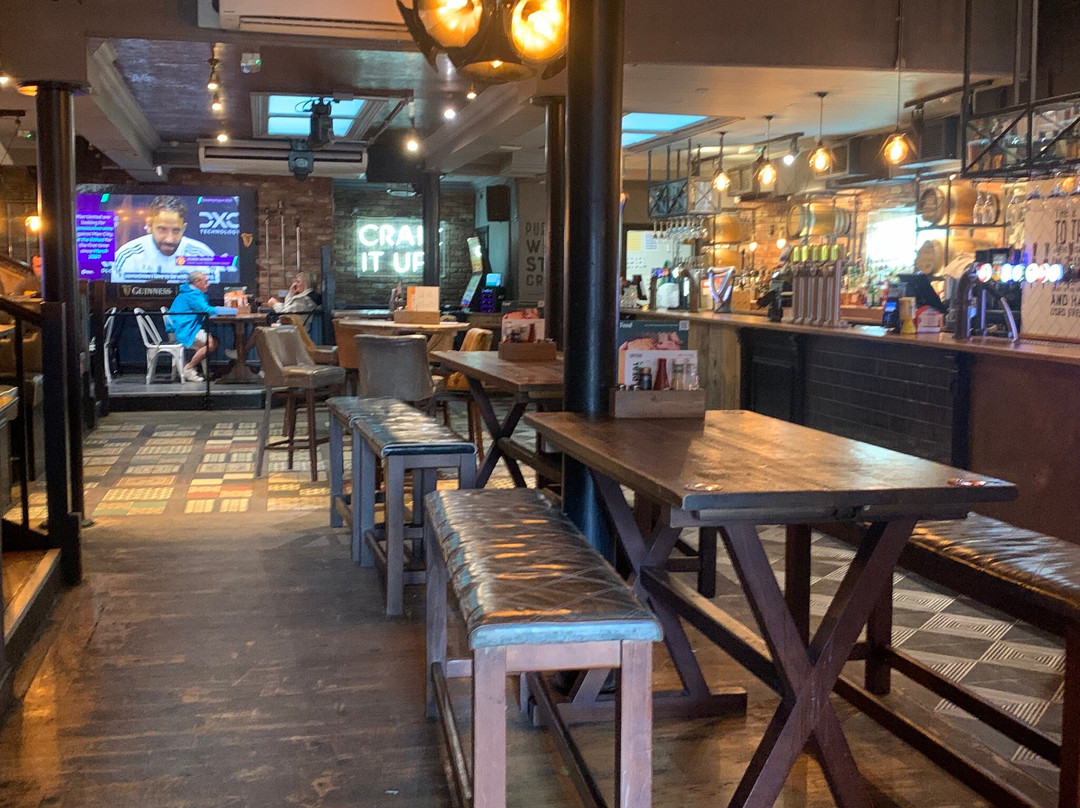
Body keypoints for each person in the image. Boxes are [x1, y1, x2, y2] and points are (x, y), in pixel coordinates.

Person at [111, 196, 215, 283]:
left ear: (183, 229)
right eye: (162, 229)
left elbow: (208, 298)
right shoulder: (127, 257)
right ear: (149, 226)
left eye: (176, 231)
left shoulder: (204, 256)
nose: (169, 239)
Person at [168, 271, 219, 382]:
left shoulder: (190, 292)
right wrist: (230, 311)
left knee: (214, 341)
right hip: (183, 330)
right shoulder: (192, 294)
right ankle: (188, 368)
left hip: (183, 328)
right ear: (197, 282)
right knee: (211, 343)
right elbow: (207, 310)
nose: (208, 284)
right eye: (205, 281)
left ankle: (193, 367)